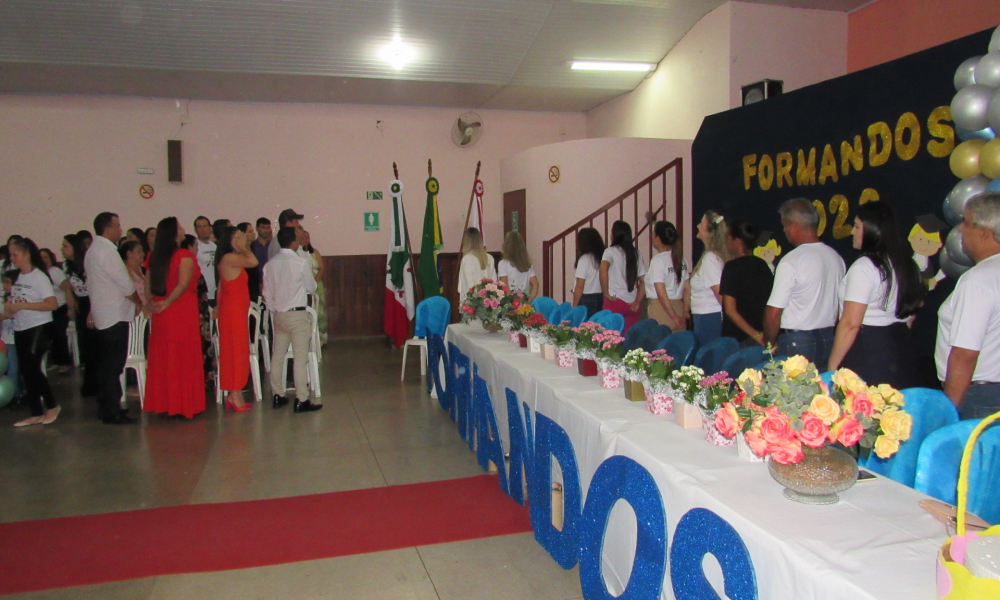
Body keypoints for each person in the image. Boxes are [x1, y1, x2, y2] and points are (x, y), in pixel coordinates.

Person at [826, 203, 926, 388]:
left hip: (868, 350)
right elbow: (910, 318)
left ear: (873, 230)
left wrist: (832, 366)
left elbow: (850, 324)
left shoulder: (865, 266)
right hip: (901, 349)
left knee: (865, 412)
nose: (851, 232)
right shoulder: (907, 264)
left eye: (857, 226)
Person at [936, 192, 1000, 419]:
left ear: (984, 232)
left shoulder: (977, 280)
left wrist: (949, 410)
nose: (960, 229)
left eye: (967, 223)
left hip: (978, 396)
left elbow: (965, 354)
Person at [763, 198, 845, 367]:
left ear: (793, 226)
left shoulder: (791, 261)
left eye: (785, 227)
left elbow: (773, 312)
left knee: (790, 392)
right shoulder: (836, 257)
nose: (784, 231)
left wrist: (770, 345)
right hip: (828, 337)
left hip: (797, 341)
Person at [144, 217, 206, 419]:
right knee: (183, 357)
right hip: (179, 311)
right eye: (180, 228)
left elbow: (147, 283)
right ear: (173, 234)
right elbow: (182, 284)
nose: (183, 230)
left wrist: (153, 302)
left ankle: (167, 402)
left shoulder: (154, 257)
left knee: (166, 358)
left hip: (162, 312)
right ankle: (185, 404)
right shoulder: (184, 255)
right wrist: (168, 302)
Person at [85, 212, 142, 424]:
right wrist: (138, 302)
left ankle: (107, 407)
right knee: (112, 366)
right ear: (107, 228)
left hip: (105, 313)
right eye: (118, 226)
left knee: (107, 365)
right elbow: (125, 283)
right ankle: (112, 410)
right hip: (114, 316)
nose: (120, 230)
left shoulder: (94, 250)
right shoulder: (107, 252)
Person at [264, 226, 320, 413]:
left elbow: (266, 293)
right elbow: (311, 288)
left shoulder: (270, 264)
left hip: (279, 315)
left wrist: (275, 308)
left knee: (278, 356)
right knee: (299, 358)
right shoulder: (299, 262)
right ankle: (301, 399)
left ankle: (278, 395)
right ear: (294, 242)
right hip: (297, 315)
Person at [4, 238, 59, 427]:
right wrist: (10, 308)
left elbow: (52, 304)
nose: (12, 258)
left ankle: (52, 405)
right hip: (20, 327)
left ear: (26, 255)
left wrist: (25, 305)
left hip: (38, 328)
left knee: (33, 369)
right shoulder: (18, 276)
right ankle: (35, 412)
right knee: (26, 372)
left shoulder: (39, 277)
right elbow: (16, 299)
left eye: (15, 254)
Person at [215, 225, 258, 411]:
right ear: (231, 240)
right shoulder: (229, 258)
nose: (243, 239)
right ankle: (234, 392)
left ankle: (236, 391)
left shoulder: (232, 258)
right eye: (239, 236)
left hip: (236, 311)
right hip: (232, 312)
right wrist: (243, 248)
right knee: (234, 351)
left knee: (239, 350)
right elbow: (254, 262)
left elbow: (220, 287)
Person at [719, 219, 774, 347]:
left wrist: (754, 334)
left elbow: (730, 310)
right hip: (761, 335)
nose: (726, 243)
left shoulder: (731, 267)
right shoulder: (763, 265)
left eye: (728, 238)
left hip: (738, 339)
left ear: (737, 240)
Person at [685, 211, 731, 346]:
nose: (698, 226)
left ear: (710, 232)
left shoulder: (710, 259)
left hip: (709, 318)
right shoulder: (711, 256)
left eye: (701, 223)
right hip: (705, 317)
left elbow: (720, 295)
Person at [62, 233, 98, 396]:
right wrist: (70, 297)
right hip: (81, 304)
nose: (62, 249)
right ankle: (89, 382)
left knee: (94, 345)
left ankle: (96, 382)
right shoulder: (67, 265)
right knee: (85, 344)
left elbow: (96, 288)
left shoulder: (87, 263)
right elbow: (68, 284)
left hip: (93, 302)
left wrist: (92, 310)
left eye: (66, 246)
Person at [600, 220, 646, 333]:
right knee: (629, 341)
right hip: (632, 303)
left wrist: (606, 293)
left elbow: (603, 269)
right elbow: (644, 281)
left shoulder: (610, 251)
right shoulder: (636, 254)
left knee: (611, 341)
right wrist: (638, 301)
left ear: (614, 235)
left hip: (615, 301)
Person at [645, 221, 688, 332]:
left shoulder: (658, 260)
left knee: (661, 347)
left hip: (662, 310)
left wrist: (674, 317)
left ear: (658, 239)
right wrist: (685, 311)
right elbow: (687, 288)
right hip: (679, 306)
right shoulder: (681, 259)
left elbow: (661, 293)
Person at [40, 247, 72, 370]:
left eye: (46, 257)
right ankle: (56, 361)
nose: (43, 260)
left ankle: (65, 362)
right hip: (49, 311)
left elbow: (67, 288)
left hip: (61, 309)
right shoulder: (40, 274)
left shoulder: (54, 272)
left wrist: (70, 308)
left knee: (59, 334)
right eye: (41, 258)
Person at [301, 230, 328, 345]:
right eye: (304, 238)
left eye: (308, 237)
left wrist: (314, 281)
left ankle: (320, 340)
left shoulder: (314, 252)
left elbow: (321, 267)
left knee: (319, 312)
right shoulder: (298, 253)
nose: (306, 240)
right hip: (303, 286)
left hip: (317, 285)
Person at [572, 228, 605, 319]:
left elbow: (580, 285)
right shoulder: (601, 259)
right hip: (600, 297)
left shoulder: (584, 259)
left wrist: (574, 305)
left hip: (587, 298)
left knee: (583, 329)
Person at [498, 231, 538, 300]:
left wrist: (513, 302)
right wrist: (529, 301)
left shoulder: (503, 264)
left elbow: (504, 286)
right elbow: (535, 284)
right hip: (524, 301)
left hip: (510, 303)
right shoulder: (527, 264)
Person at [457, 227, 496, 296]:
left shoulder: (467, 259)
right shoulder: (489, 258)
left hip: (472, 301)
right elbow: (494, 281)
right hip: (488, 299)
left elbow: (470, 285)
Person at [192, 216, 218, 308]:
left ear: (210, 228)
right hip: (202, 293)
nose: (203, 229)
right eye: (199, 227)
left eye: (205, 226)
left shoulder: (214, 245)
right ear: (195, 230)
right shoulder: (195, 246)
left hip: (215, 292)